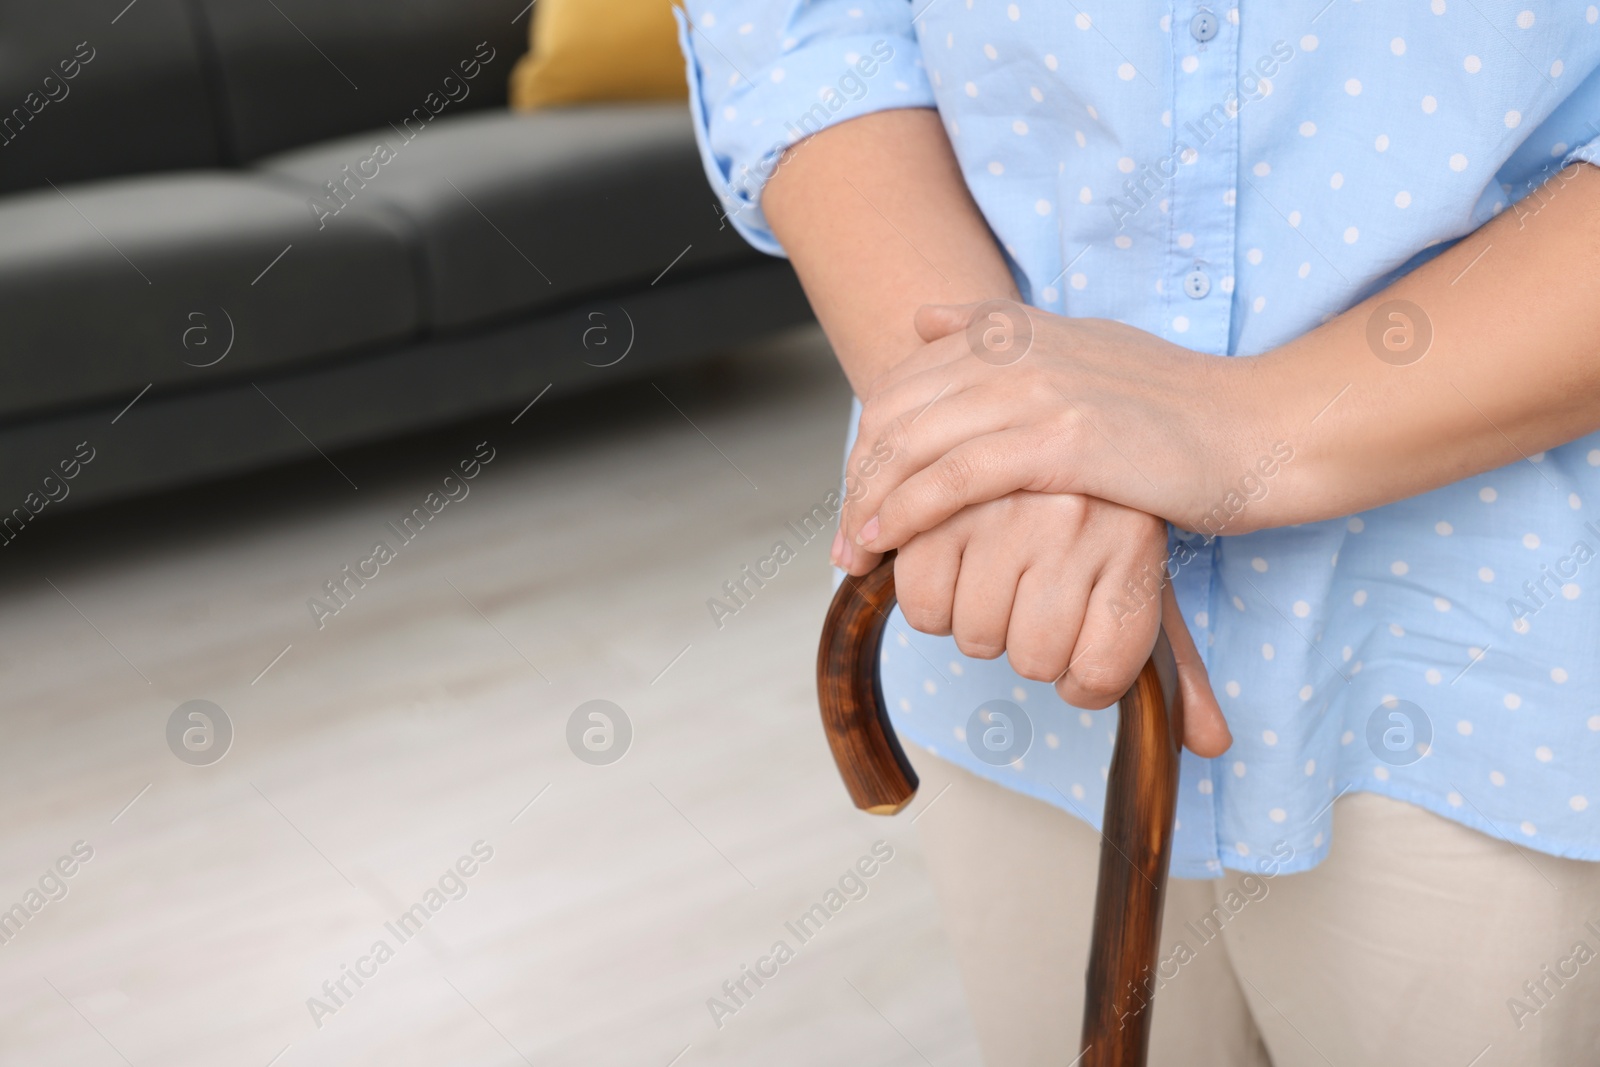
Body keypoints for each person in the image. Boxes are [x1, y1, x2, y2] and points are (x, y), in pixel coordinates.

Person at [681, 4, 1600, 1064]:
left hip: (1487, 647)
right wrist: (992, 420)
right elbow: (807, 30)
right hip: (1014, 619)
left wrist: (1243, 427)